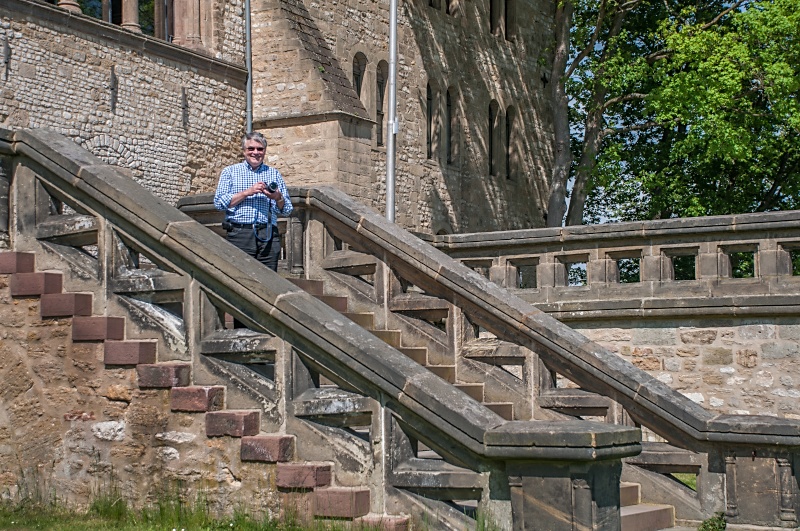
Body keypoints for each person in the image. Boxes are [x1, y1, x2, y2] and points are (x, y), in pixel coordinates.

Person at [214, 132, 293, 271]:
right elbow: (219, 203)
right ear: (244, 151)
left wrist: (277, 197)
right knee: (240, 277)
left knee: (269, 280)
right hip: (240, 233)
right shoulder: (230, 172)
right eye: (251, 149)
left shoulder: (273, 173)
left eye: (260, 149)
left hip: (268, 234)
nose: (255, 152)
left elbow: (287, 210)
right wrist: (247, 192)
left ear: (264, 151)